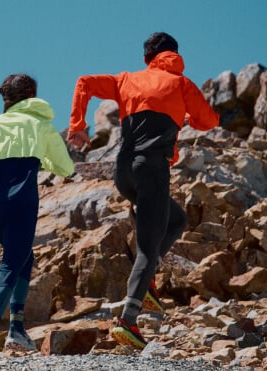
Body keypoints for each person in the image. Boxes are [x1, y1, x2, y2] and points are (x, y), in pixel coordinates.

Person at [66, 32, 219, 349]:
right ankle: (128, 321)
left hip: (123, 173)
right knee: (148, 249)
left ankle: (146, 281)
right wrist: (186, 116)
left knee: (175, 220)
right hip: (152, 171)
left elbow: (84, 82)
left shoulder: (126, 79)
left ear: (147, 59)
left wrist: (78, 125)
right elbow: (209, 121)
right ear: (175, 55)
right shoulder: (182, 85)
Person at [0, 74, 74, 357]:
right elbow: (66, 168)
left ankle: (17, 330)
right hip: (21, 204)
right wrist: (42, 160)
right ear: (31, 96)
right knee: (11, 263)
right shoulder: (40, 126)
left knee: (22, 258)